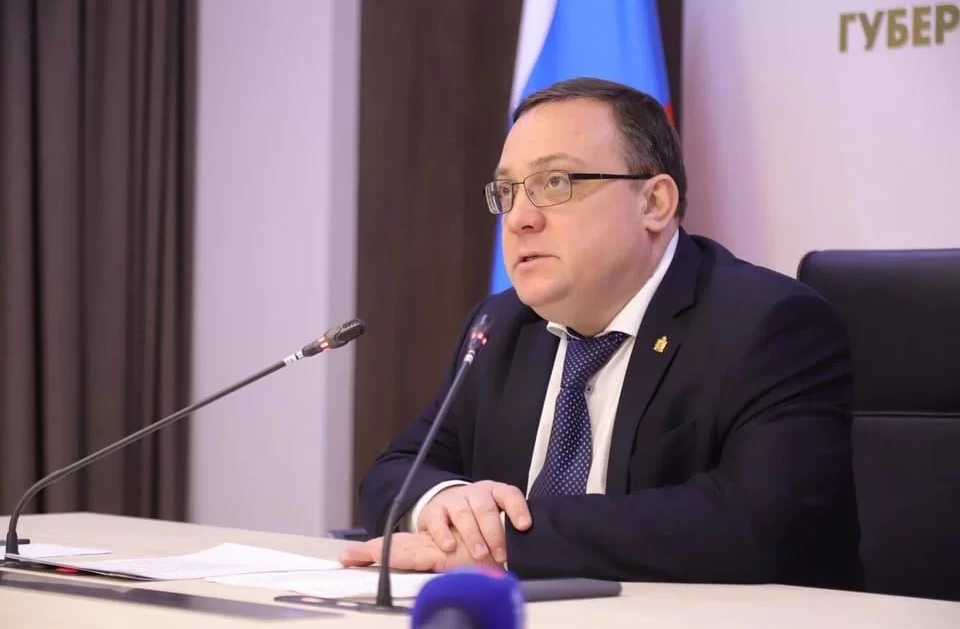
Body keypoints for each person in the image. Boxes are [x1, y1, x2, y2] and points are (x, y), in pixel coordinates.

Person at [340, 77, 862, 589]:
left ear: (653, 203)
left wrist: (504, 542)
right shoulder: (501, 328)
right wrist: (444, 504)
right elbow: (397, 471)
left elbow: (751, 522)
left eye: (554, 184)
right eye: (507, 191)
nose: (519, 219)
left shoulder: (767, 324)